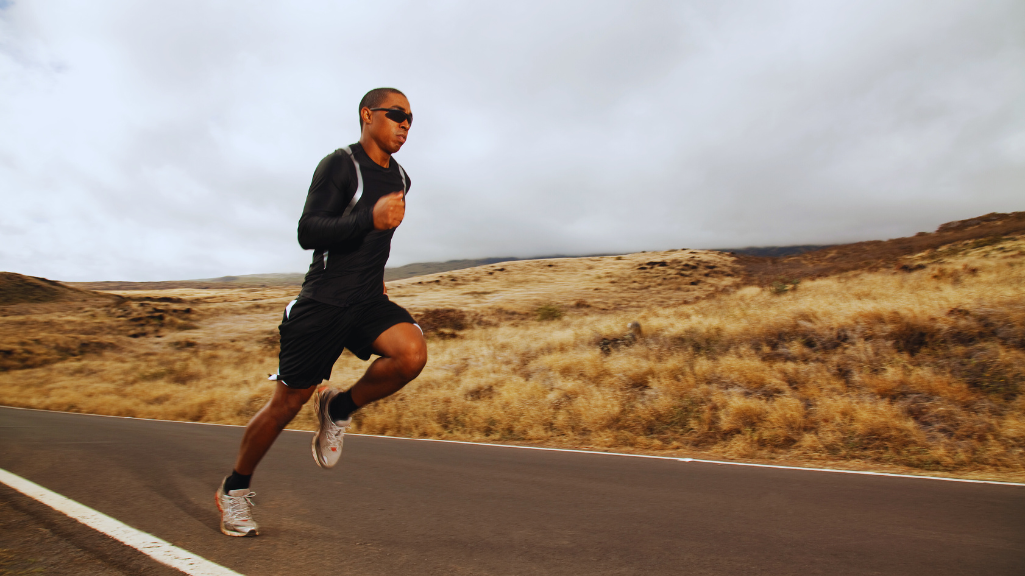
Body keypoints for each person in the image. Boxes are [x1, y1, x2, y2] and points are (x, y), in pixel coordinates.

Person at [215, 88, 427, 537]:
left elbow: (380, 241)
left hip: (367, 300)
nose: (406, 124)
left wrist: (377, 269)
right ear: (368, 115)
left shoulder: (403, 178)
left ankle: (339, 406)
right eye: (397, 115)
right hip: (323, 303)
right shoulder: (340, 165)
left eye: (412, 119)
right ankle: (234, 490)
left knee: (411, 354)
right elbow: (309, 231)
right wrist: (368, 217)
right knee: (286, 405)